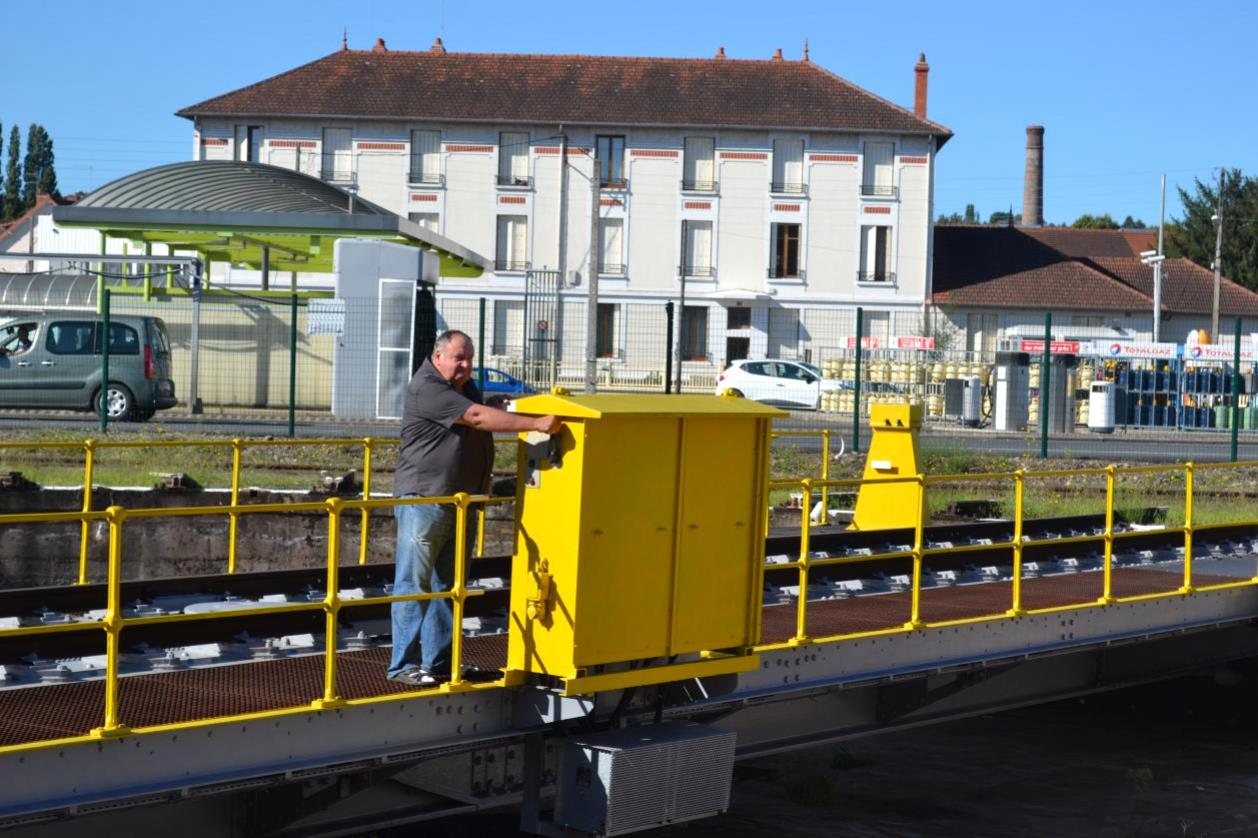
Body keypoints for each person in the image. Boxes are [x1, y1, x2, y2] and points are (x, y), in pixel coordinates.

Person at [389, 329, 563, 687]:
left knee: (450, 586)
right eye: (459, 358)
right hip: (426, 499)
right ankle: (402, 666)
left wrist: (507, 403)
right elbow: (478, 419)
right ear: (438, 357)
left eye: (469, 358)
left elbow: (483, 410)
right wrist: (536, 424)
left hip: (460, 500)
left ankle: (438, 661)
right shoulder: (429, 387)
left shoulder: (461, 386)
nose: (466, 366)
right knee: (415, 583)